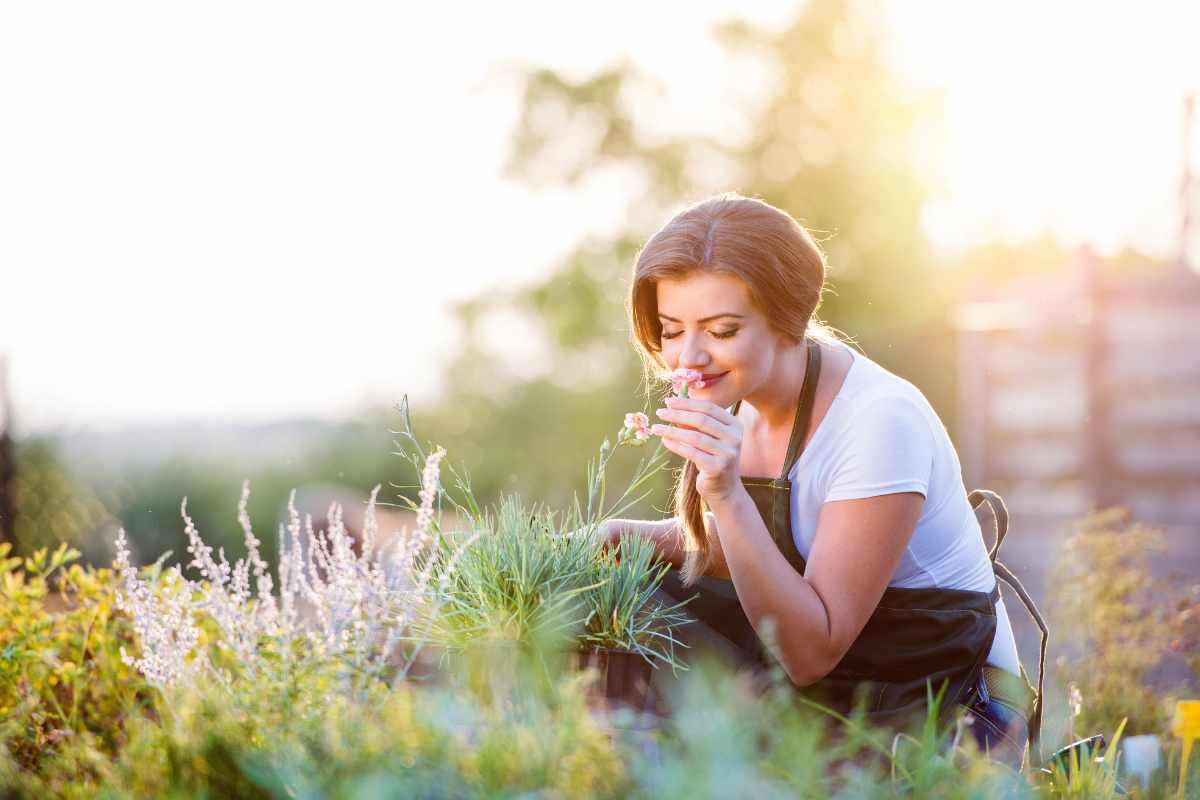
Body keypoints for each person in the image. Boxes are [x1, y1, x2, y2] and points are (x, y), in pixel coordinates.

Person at [597, 192, 1042, 769]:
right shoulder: (740, 395)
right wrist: (611, 538)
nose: (690, 357)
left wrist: (725, 491)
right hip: (843, 684)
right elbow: (759, 551)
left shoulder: (878, 421)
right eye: (671, 329)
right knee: (613, 602)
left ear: (789, 319)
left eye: (722, 329)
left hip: (939, 711)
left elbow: (809, 653)